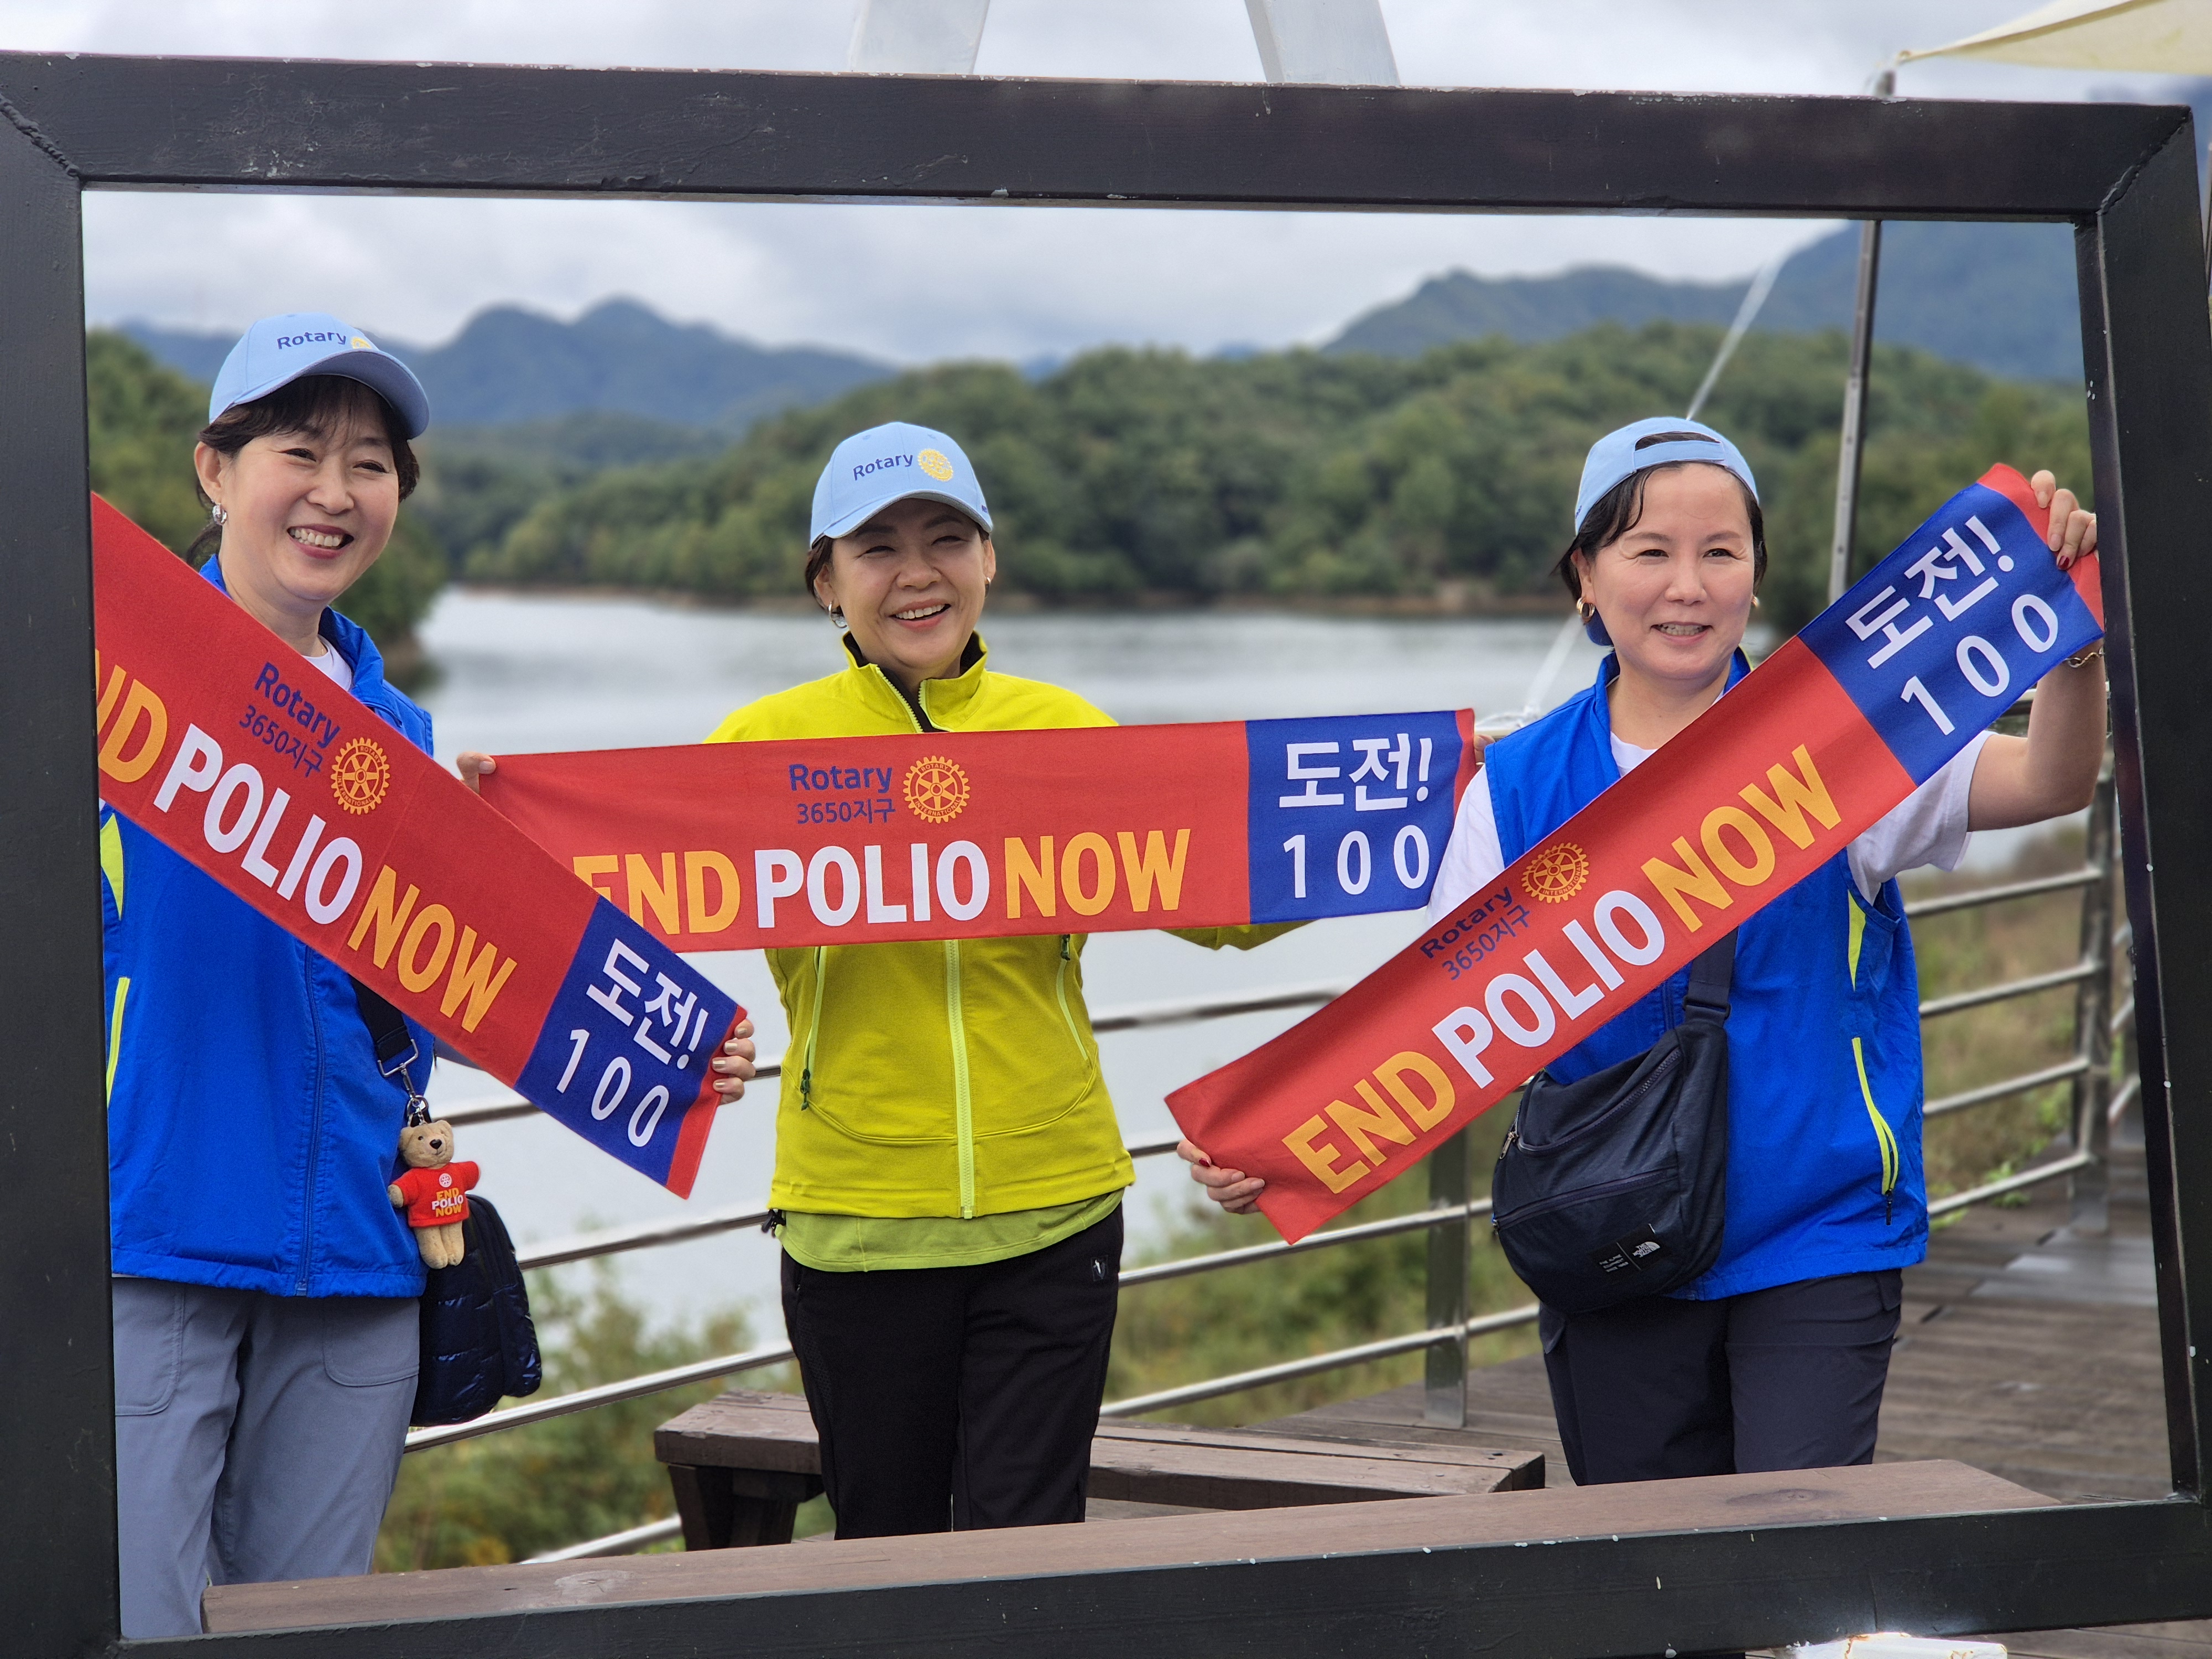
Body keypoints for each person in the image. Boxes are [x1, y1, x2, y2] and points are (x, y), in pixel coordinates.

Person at [1180, 416, 2105, 1486]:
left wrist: (2074, 643)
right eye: (1649, 551)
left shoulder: (1842, 737)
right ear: (1586, 575)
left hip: (1817, 1231)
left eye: (1721, 552)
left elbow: (2050, 782)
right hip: (1609, 1228)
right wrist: (1277, 1139)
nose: (1687, 586)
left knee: (1796, 1546)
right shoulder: (1515, 786)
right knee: (1652, 1561)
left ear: (1756, 574)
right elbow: (1444, 1024)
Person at [680, 421, 1284, 1538]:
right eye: (877, 547)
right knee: (887, 1545)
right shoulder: (758, 747)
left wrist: (1421, 801)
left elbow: (1223, 901)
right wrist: (507, 815)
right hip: (856, 1223)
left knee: (1028, 1545)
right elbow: (620, 899)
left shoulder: (1064, 731)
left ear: (989, 559)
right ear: (826, 582)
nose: (918, 573)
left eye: (947, 539)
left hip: (1055, 1213)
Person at [103, 314, 447, 1637]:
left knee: (308, 1635)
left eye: (370, 465)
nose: (334, 492)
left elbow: (459, 990)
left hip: (357, 1254)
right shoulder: (104, 679)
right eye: (299, 452)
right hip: (156, 1238)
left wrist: (658, 1046)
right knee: (134, 1625)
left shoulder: (404, 738)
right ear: (215, 469)